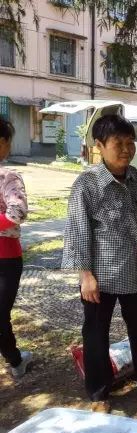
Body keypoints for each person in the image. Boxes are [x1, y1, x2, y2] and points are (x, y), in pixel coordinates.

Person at [62, 114, 137, 413]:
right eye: (118, 143)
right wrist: (85, 275)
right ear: (100, 145)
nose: (126, 150)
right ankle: (99, 394)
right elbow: (77, 231)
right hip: (99, 276)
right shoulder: (87, 184)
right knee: (95, 334)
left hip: (136, 272)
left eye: (131, 143)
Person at [0, 117, 32, 379]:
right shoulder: (7, 175)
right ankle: (15, 357)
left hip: (6, 259)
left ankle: (15, 359)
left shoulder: (7, 177)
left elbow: (17, 212)